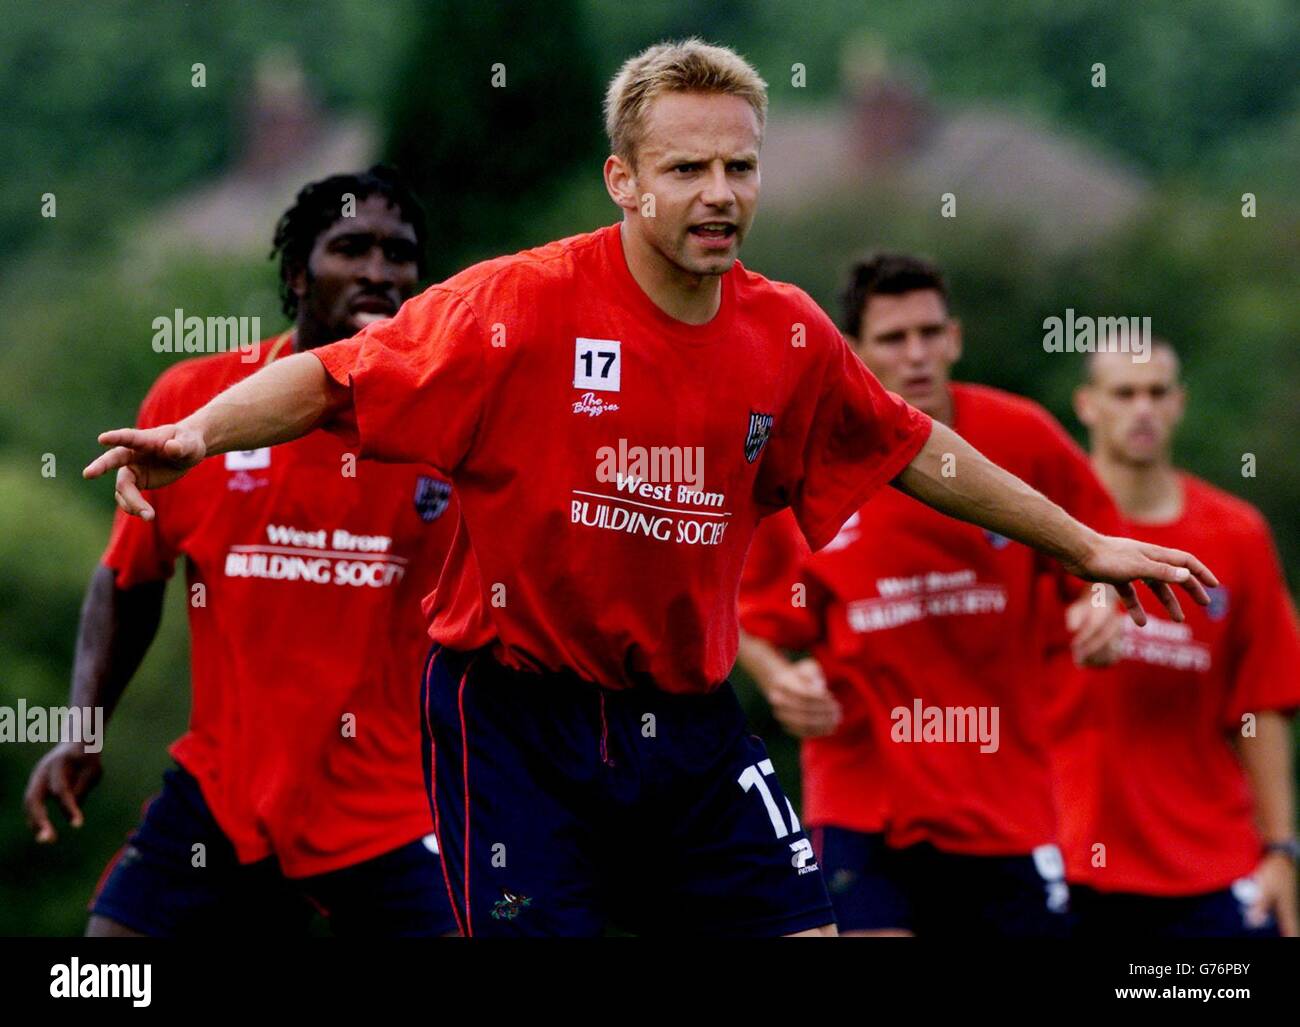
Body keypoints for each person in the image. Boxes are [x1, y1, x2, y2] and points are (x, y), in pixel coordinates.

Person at [84, 41, 1214, 938]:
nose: (718, 194)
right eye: (686, 169)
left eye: (739, 166)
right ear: (623, 179)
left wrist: (1084, 546)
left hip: (684, 719)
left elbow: (916, 446)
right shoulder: (515, 308)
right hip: (514, 714)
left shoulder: (787, 332)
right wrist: (191, 430)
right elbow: (329, 380)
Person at [27, 167, 460, 937]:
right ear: (297, 273)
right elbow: (127, 579)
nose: (377, 270)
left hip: (395, 809)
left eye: (398, 253)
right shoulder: (193, 405)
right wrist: (82, 729)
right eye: (351, 247)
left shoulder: (446, 421)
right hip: (224, 796)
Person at [738, 253, 1125, 936]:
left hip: (1008, 800)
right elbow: (740, 608)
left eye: (930, 332)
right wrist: (779, 678)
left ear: (956, 337)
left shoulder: (1021, 437)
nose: (916, 354)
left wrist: (1101, 606)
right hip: (864, 797)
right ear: (852, 350)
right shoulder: (808, 461)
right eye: (893, 338)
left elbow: (1100, 548)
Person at [1059, 341, 1300, 938]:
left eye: (1157, 393)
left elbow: (1262, 703)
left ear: (1179, 404)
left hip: (1208, 862)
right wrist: (1067, 634)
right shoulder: (1044, 524)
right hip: (1068, 852)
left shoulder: (1237, 532)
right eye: (1124, 393)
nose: (1142, 409)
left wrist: (1280, 849)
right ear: (1087, 405)